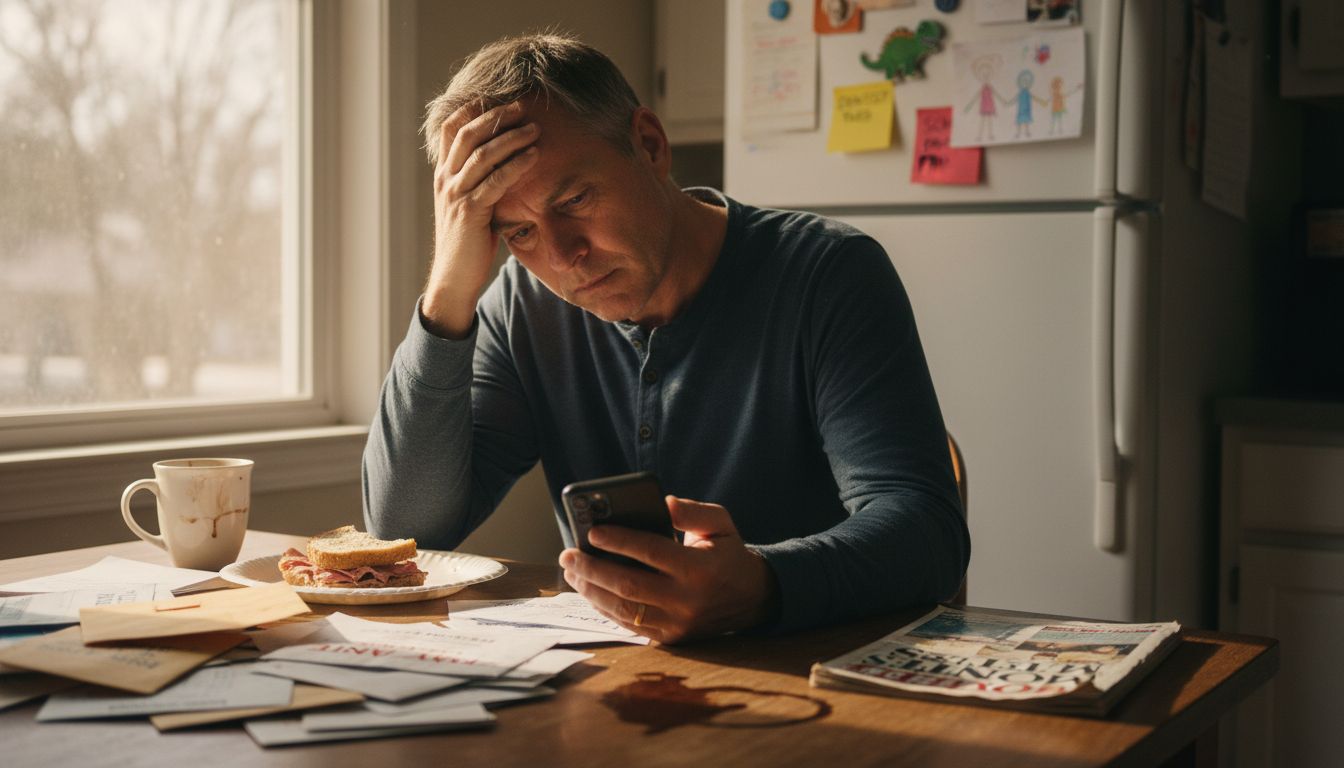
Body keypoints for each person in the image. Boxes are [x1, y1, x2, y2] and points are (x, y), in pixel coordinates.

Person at [363, 34, 969, 643]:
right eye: (518, 232)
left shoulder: (829, 274)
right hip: (620, 687)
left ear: (648, 145)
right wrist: (448, 294)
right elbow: (404, 528)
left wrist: (763, 584)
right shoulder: (523, 306)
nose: (563, 256)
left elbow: (927, 532)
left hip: (824, 682)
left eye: (575, 198)